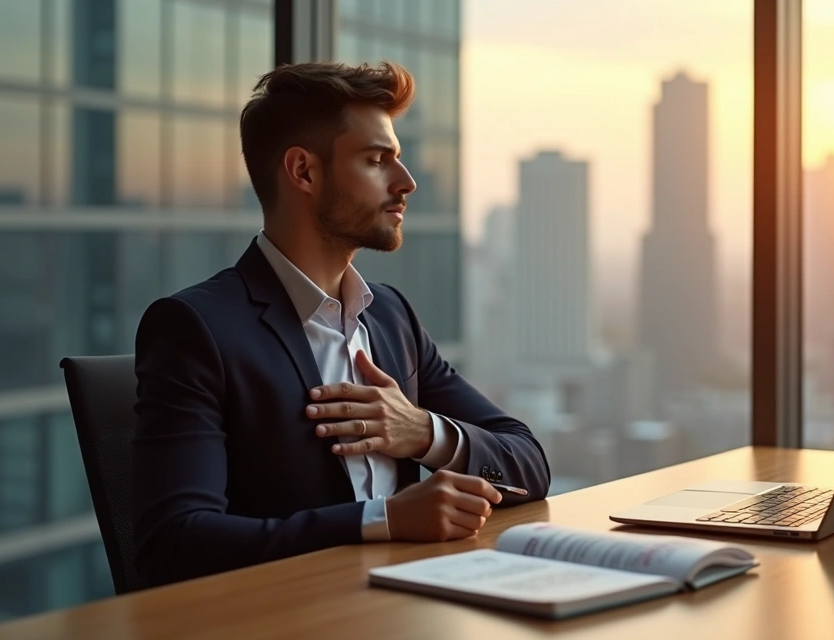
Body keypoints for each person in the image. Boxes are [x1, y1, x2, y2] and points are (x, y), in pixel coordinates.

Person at [131, 61, 551, 587]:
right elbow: (175, 544)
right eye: (377, 160)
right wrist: (386, 519)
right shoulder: (195, 329)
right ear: (304, 171)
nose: (407, 182)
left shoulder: (391, 315)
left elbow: (528, 463)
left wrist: (423, 432)